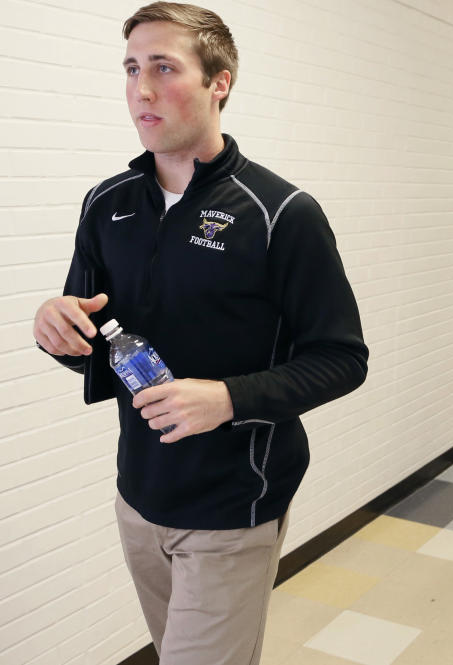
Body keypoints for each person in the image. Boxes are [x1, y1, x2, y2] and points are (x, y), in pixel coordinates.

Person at [31, 3, 368, 663]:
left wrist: (226, 399)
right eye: (131, 69)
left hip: (233, 503)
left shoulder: (281, 214)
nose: (142, 90)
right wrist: (56, 328)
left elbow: (342, 358)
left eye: (163, 67)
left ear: (221, 82)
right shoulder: (109, 204)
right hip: (139, 493)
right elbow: (96, 342)